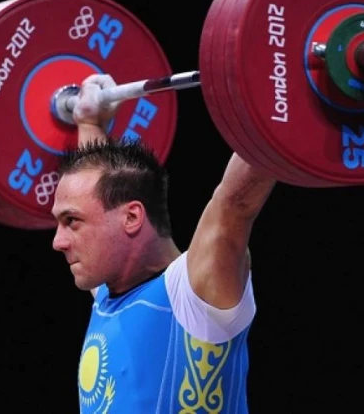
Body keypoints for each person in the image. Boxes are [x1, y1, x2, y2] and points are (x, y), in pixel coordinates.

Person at [51, 74, 277, 413]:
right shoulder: (108, 293)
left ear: (132, 217)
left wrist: (281, 97)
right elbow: (96, 192)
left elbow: (235, 203)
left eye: (72, 221)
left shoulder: (196, 296)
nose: (58, 242)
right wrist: (89, 122)